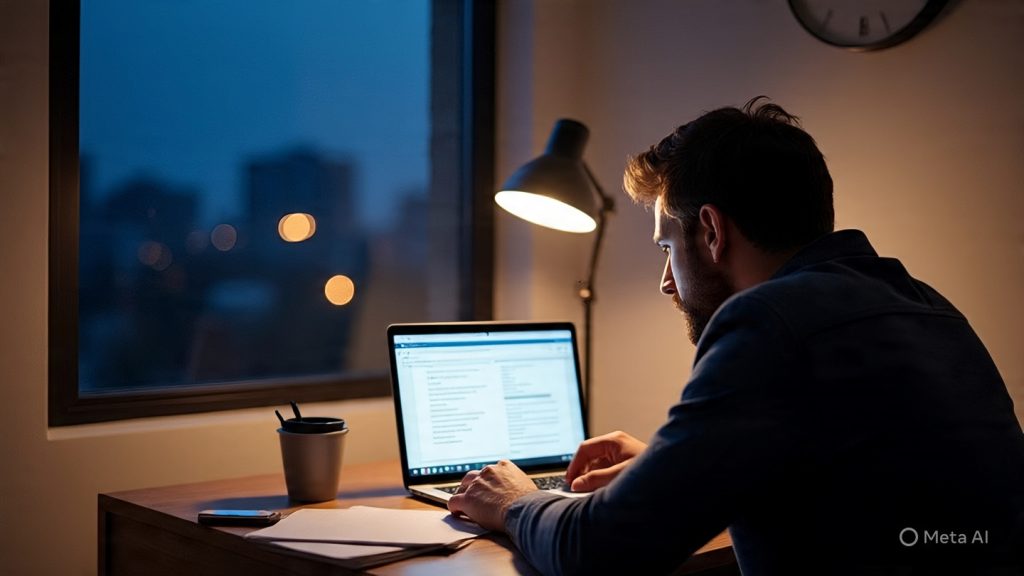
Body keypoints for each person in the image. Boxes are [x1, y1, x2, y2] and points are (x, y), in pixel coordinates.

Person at [447, 97, 1024, 575]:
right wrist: (678, 469)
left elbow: (599, 550)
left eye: (667, 247)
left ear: (712, 232)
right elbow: (871, 496)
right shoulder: (926, 306)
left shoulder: (771, 321)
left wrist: (514, 501)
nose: (667, 282)